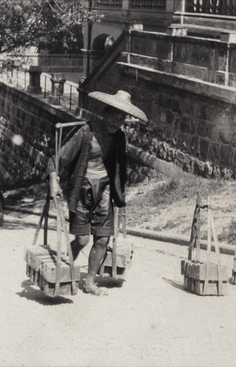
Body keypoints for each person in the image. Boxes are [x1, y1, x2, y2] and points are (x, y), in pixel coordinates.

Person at [46, 90, 147, 296]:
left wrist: (118, 191)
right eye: (113, 116)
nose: (116, 122)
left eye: (121, 119)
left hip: (104, 191)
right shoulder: (86, 132)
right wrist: (53, 181)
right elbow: (58, 158)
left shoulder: (119, 137)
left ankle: (90, 282)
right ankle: (63, 271)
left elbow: (119, 166)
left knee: (102, 239)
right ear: (105, 113)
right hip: (82, 189)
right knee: (82, 239)